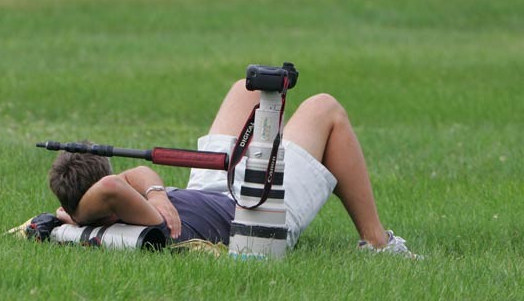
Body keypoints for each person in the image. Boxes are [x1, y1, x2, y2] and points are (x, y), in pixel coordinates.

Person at [48, 79, 417, 256]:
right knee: (325, 109)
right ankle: (379, 244)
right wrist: (80, 215)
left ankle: (284, 148)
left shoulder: (126, 204)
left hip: (212, 189)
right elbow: (113, 185)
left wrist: (157, 192)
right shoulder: (130, 211)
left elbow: (129, 179)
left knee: (249, 89)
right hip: (258, 215)